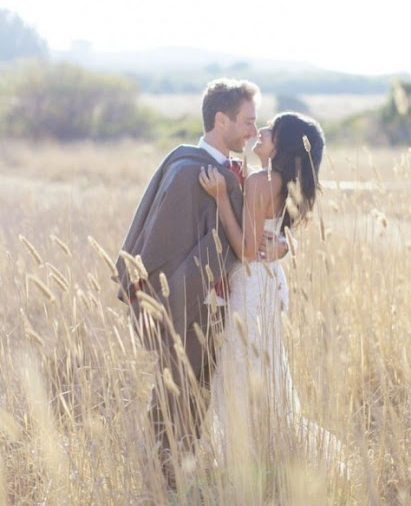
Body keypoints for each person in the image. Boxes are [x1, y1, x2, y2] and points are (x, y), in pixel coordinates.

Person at [115, 78, 286, 469]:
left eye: (255, 122)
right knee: (176, 387)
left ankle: (183, 470)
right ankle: (162, 475)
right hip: (189, 299)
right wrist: (172, 293)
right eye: (246, 121)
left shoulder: (238, 171)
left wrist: (281, 244)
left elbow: (250, 233)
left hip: (229, 303)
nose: (252, 130)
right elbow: (158, 238)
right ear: (221, 120)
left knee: (203, 391)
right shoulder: (186, 168)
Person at [199, 112, 341, 468]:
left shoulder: (262, 182)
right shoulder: (282, 183)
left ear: (283, 145)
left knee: (239, 370)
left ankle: (245, 461)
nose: (261, 131)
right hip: (270, 281)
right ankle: (269, 456)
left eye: (271, 131)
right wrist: (283, 242)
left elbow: (246, 249)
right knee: (263, 370)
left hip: (251, 283)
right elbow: (273, 234)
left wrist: (219, 198)